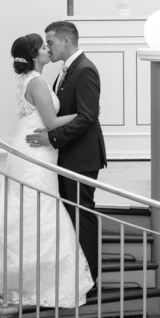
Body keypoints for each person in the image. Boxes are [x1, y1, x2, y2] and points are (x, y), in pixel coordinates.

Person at [0, 33, 94, 307]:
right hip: (36, 150)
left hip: (32, 147)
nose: (47, 49)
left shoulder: (30, 80)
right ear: (35, 56)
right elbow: (51, 120)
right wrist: (86, 116)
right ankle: (32, 280)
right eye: (43, 47)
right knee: (37, 205)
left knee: (26, 205)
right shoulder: (36, 81)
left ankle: (24, 274)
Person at [26, 21, 107, 285]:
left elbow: (87, 118)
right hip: (69, 156)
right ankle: (76, 274)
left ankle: (90, 278)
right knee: (71, 215)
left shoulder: (85, 70)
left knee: (82, 215)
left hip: (82, 157)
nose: (47, 47)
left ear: (66, 41)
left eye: (50, 42)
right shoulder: (65, 70)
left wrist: (51, 138)